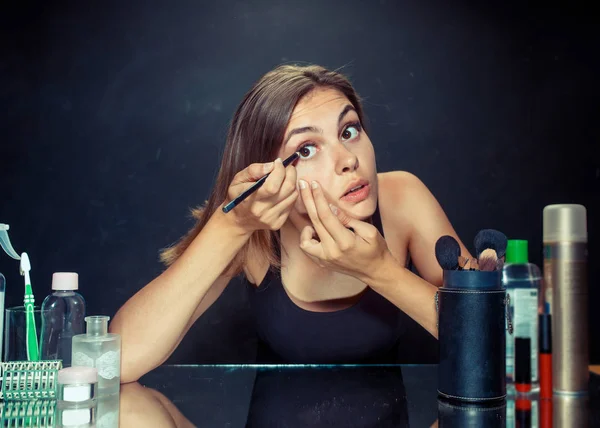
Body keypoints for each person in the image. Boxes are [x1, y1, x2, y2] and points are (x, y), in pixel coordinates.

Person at [110, 64, 471, 382]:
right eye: (307, 149)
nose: (348, 160)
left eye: (349, 131)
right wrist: (230, 226)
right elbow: (119, 361)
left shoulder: (403, 197)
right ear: (269, 174)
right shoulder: (257, 229)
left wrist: (381, 272)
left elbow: (498, 339)